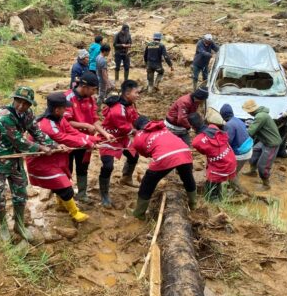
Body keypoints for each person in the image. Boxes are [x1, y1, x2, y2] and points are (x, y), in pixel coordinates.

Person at [0, 86, 55, 243]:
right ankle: (3, 226)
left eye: (25, 103)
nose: (21, 106)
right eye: (18, 101)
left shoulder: (27, 114)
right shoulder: (4, 117)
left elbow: (37, 132)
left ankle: (19, 224)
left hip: (16, 161)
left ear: (30, 105)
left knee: (20, 192)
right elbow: (20, 142)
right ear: (13, 100)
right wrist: (41, 148)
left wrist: (54, 145)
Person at [26, 93, 99, 222]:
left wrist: (93, 139)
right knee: (64, 186)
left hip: (54, 157)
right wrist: (87, 143)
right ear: (57, 109)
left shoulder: (60, 119)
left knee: (60, 182)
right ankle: (75, 212)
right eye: (64, 108)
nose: (66, 110)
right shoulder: (46, 125)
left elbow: (72, 132)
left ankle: (61, 204)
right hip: (41, 160)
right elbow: (64, 138)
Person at [131, 116, 196, 219]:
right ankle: (193, 204)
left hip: (163, 157)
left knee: (147, 183)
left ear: (137, 128)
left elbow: (145, 153)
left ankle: (139, 213)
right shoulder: (163, 128)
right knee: (188, 178)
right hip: (184, 151)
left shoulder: (138, 136)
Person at [64, 72, 113, 203]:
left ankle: (81, 193)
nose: (94, 92)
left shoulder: (91, 99)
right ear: (84, 86)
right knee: (66, 167)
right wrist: (85, 125)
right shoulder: (68, 98)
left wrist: (104, 133)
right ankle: (65, 195)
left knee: (83, 166)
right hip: (68, 140)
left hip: (85, 140)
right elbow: (65, 122)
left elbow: (95, 120)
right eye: (93, 89)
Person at [98, 80, 141, 208]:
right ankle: (104, 194)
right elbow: (125, 127)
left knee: (134, 156)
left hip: (122, 138)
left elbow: (134, 119)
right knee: (108, 166)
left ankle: (126, 178)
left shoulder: (130, 104)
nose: (138, 95)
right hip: (109, 137)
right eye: (136, 92)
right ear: (127, 93)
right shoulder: (118, 109)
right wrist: (137, 131)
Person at [188, 113, 237, 202]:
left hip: (221, 165)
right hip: (230, 158)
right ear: (202, 119)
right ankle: (220, 197)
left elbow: (204, 151)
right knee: (216, 183)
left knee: (210, 190)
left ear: (192, 127)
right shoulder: (214, 127)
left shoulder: (197, 141)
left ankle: (213, 203)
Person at [242, 99, 282, 191]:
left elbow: (251, 132)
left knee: (263, 166)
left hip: (272, 143)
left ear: (251, 110)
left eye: (248, 111)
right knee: (253, 153)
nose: (248, 114)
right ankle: (252, 172)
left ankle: (266, 184)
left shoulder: (260, 116)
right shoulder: (260, 115)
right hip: (264, 141)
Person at [219, 104, 253, 192]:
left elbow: (227, 142)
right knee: (235, 171)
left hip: (241, 154)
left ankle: (240, 192)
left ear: (223, 115)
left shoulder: (229, 125)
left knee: (231, 174)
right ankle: (234, 187)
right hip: (248, 149)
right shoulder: (238, 120)